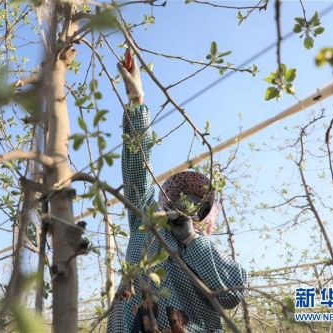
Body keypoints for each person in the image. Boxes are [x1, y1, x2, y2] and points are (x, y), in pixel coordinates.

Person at [106, 53, 247, 333]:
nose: (184, 205)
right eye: (179, 196)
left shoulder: (206, 254)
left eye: (195, 203)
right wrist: (137, 102)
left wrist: (190, 239)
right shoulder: (147, 223)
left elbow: (233, 292)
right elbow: (137, 170)